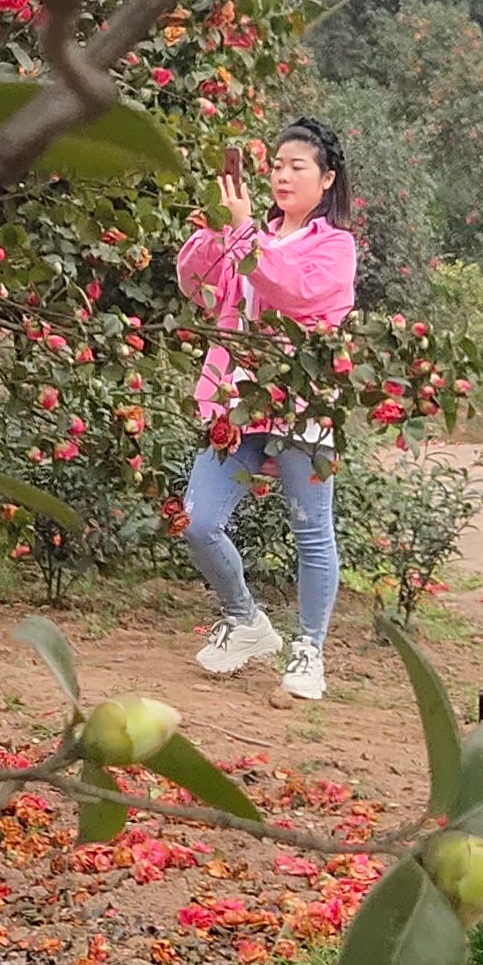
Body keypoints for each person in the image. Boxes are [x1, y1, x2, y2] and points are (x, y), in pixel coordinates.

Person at [173, 115, 358, 703]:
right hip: (238, 404)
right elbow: (198, 288)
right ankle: (246, 620)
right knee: (199, 521)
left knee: (311, 531)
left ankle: (309, 649)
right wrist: (214, 233)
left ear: (325, 180)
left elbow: (296, 292)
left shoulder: (335, 245)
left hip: (303, 407)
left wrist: (247, 234)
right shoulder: (249, 232)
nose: (282, 175)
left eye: (296, 167)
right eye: (276, 165)